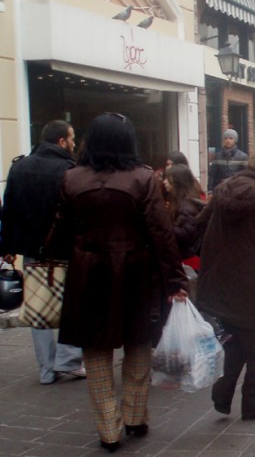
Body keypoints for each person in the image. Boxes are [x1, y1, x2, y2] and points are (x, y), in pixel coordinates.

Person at [55, 113, 189, 452]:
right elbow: (161, 233)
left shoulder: (71, 178)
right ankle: (133, 415)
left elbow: (61, 229)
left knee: (96, 350)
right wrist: (175, 278)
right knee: (138, 342)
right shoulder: (142, 179)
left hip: (88, 271)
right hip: (136, 271)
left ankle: (108, 429)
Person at [196, 145, 255, 420]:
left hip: (218, 277)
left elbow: (199, 222)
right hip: (247, 281)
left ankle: (222, 395)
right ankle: (254, 404)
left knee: (238, 341)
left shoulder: (226, 187)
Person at [0, 120, 85, 385]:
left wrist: (8, 248)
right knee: (70, 303)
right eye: (71, 139)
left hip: (31, 249)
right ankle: (69, 360)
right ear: (61, 141)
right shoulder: (71, 171)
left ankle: (47, 369)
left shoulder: (19, 166)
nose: (73, 144)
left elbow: (9, 209)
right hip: (65, 249)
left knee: (37, 303)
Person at [163, 164, 205, 271]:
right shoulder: (180, 203)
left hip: (189, 260)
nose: (164, 182)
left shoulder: (186, 207)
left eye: (168, 179)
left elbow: (185, 235)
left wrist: (164, 223)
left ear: (176, 182)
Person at [207, 129, 248, 195]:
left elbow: (246, 176)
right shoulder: (217, 156)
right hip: (220, 190)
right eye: (226, 138)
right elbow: (212, 174)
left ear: (235, 140)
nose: (228, 140)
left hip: (236, 190)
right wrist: (210, 190)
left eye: (231, 138)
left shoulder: (243, 156)